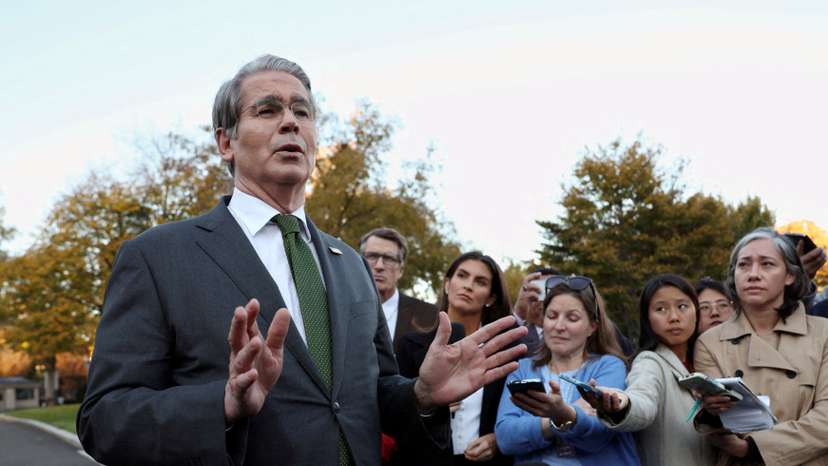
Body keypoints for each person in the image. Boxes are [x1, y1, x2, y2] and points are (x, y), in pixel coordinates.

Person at [76, 55, 528, 466]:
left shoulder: (351, 265)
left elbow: (370, 394)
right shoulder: (158, 257)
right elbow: (103, 419)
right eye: (267, 110)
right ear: (226, 142)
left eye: (302, 112)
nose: (290, 122)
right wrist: (223, 405)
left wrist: (421, 394)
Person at [695, 227, 828, 465]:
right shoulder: (710, 342)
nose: (753, 274)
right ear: (734, 275)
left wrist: (753, 448)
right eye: (744, 265)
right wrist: (711, 413)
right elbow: (721, 426)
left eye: (767, 264)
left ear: (790, 275)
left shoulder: (823, 333)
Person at [495, 275, 640, 466]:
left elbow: (600, 434)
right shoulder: (522, 369)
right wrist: (561, 416)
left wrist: (560, 415)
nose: (559, 326)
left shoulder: (609, 366)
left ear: (592, 327)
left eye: (572, 318)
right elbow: (505, 439)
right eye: (552, 316)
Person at [396, 251, 515, 465]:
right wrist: (428, 406)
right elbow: (394, 415)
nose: (468, 286)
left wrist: (498, 440)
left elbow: (518, 413)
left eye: (480, 282)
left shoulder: (504, 351)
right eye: (462, 276)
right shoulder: (409, 345)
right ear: (447, 284)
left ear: (491, 298)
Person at [584, 273, 714, 466]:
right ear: (647, 318)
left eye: (682, 306)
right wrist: (622, 405)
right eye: (661, 309)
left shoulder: (706, 361)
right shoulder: (649, 361)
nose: (674, 317)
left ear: (696, 311)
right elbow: (642, 400)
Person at [359, 227, 437, 352]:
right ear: (359, 262)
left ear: (401, 270)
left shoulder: (428, 315)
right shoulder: (339, 307)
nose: (379, 266)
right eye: (372, 256)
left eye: (389, 258)